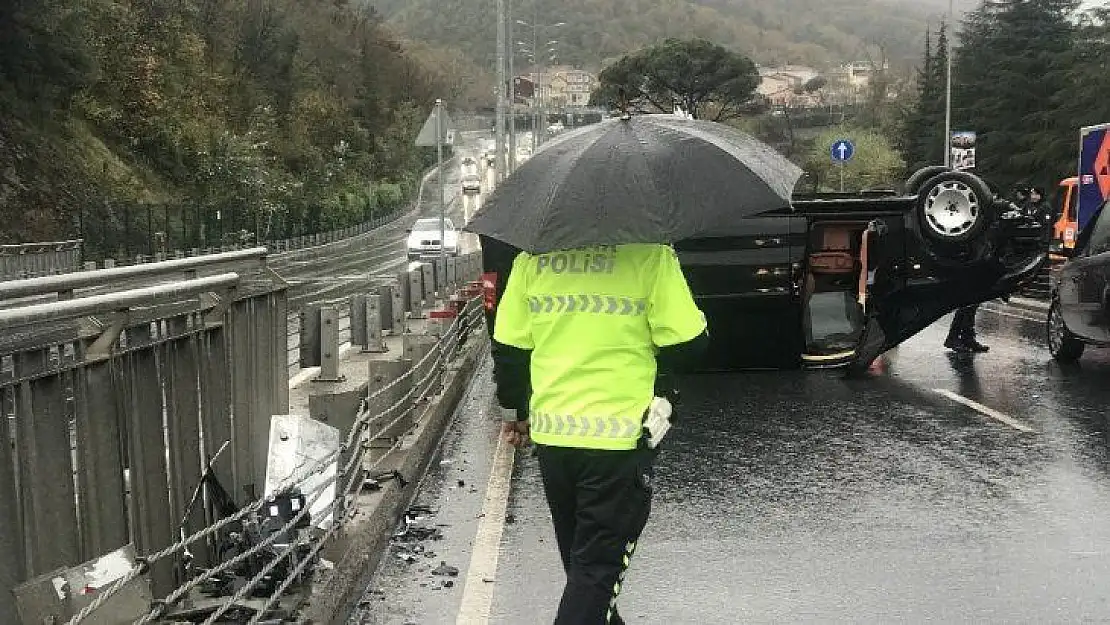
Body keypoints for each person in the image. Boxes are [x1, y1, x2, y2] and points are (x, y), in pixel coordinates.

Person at [492, 243, 708, 625]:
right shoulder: (651, 257)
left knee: (587, 576)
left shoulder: (531, 263)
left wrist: (514, 413)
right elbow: (690, 344)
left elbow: (509, 349)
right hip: (619, 443)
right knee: (594, 578)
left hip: (555, 441)